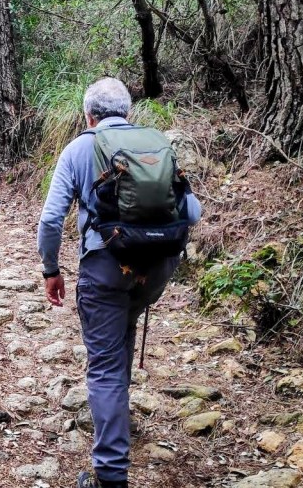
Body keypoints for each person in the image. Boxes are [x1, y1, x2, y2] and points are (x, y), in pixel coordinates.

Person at [37, 78, 202, 488]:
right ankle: (118, 419)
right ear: (128, 113)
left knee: (106, 364)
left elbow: (50, 220)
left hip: (105, 267)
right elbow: (193, 212)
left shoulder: (79, 148)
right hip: (156, 267)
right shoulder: (157, 143)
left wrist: (51, 270)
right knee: (122, 331)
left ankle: (110, 474)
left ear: (88, 116)